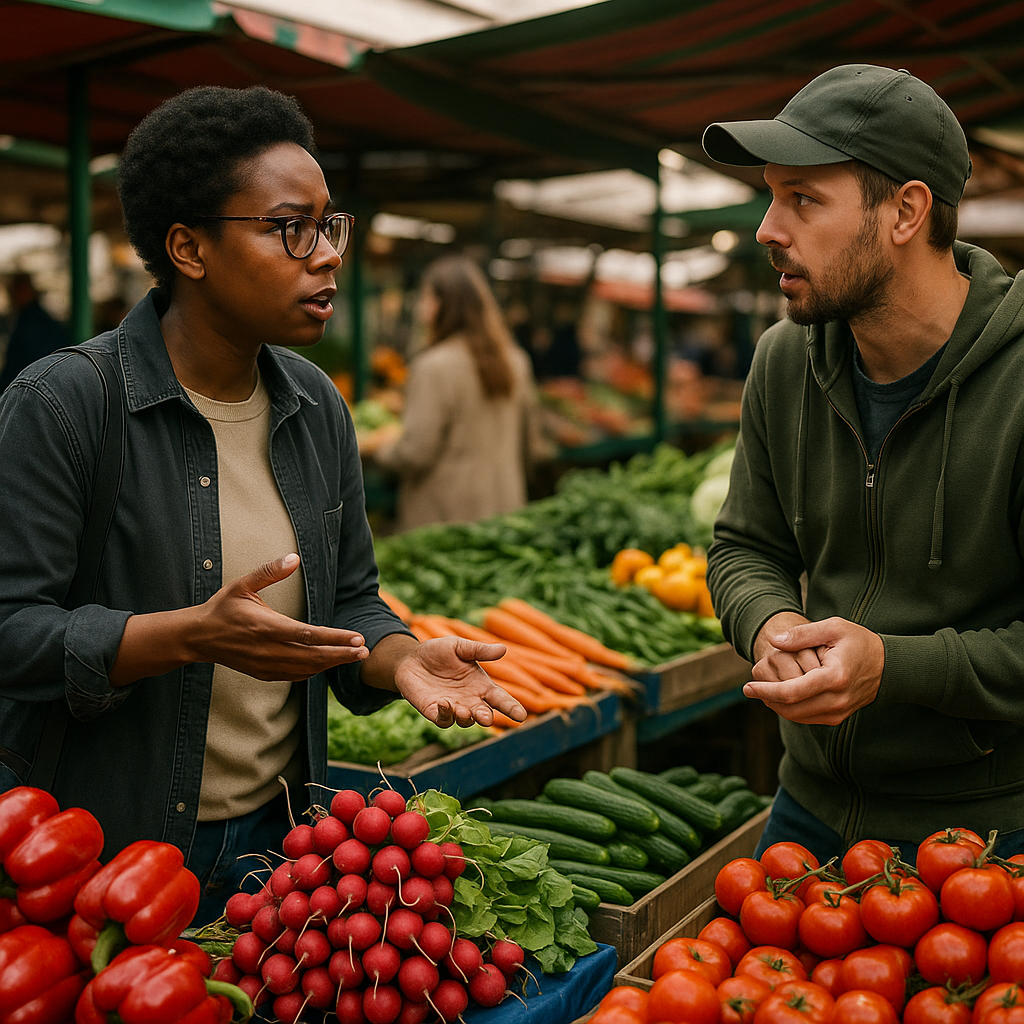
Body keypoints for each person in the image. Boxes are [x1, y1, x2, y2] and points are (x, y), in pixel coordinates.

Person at [0, 84, 526, 925]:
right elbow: (9, 629)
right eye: (291, 228)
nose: (326, 255)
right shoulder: (65, 404)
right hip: (102, 859)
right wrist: (184, 636)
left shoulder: (316, 407)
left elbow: (352, 595)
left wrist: (399, 659)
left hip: (281, 853)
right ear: (188, 248)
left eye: (329, 226)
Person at [700, 64, 1024, 863]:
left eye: (804, 199)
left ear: (907, 211)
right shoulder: (782, 362)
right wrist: (769, 620)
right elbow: (746, 547)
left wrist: (894, 666)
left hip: (987, 829)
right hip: (808, 809)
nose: (767, 228)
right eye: (772, 195)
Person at [367, 254, 551, 532]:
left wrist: (377, 450)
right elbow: (532, 442)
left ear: (445, 304)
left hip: (446, 521)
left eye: (426, 298)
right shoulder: (515, 360)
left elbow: (415, 452)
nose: (420, 309)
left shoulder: (433, 366)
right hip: (507, 510)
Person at [0, 272, 70, 392]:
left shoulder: (33, 322)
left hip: (32, 387)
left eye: (14, 292)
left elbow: (20, 363)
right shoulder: (29, 318)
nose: (12, 297)